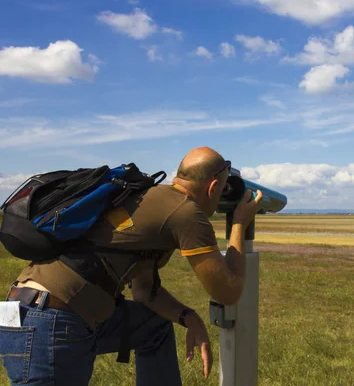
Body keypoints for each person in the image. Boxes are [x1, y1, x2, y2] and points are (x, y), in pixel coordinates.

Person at [0, 146, 262, 385]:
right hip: (52, 321)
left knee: (153, 327)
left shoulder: (148, 199)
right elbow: (228, 291)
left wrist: (189, 318)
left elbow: (145, 292)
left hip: (31, 313)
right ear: (213, 186)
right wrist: (239, 223)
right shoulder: (186, 212)